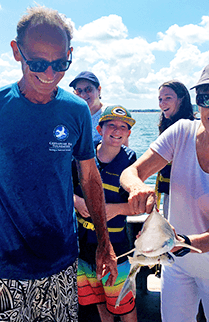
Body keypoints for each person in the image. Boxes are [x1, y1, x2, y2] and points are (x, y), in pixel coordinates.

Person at [120, 62, 209, 322]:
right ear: (197, 102)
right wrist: (137, 187)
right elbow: (131, 172)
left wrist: (178, 242)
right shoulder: (180, 132)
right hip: (178, 266)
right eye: (207, 98)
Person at [0, 5, 117, 322]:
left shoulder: (76, 110)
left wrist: (104, 243)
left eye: (60, 63)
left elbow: (90, 176)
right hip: (5, 265)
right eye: (37, 63)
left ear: (70, 54)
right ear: (16, 52)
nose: (50, 75)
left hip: (61, 259)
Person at [73, 105, 138, 322]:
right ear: (100, 129)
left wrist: (113, 209)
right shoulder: (83, 155)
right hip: (83, 245)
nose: (117, 130)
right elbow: (62, 186)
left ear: (128, 133)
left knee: (123, 301)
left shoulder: (131, 161)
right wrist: (76, 200)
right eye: (111, 125)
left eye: (123, 127)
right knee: (98, 299)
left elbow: (139, 206)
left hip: (116, 246)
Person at [156, 80, 194, 217]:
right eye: (160, 99)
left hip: (188, 197)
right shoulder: (167, 127)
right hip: (169, 193)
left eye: (168, 98)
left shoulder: (193, 128)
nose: (162, 103)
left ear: (182, 99)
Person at [69, 71, 104, 147]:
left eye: (88, 89)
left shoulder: (110, 114)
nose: (83, 95)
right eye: (78, 91)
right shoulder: (71, 117)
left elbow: (123, 149)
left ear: (99, 90)